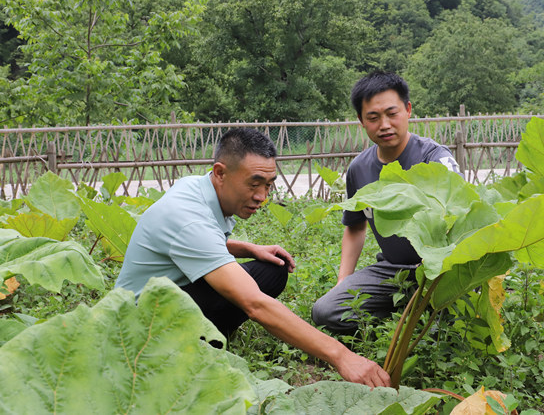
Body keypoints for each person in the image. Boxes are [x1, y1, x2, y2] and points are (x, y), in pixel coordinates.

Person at [115, 127, 390, 388]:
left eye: (269, 185)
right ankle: (185, 350)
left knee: (272, 270)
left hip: (167, 297)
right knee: (251, 292)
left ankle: (204, 337)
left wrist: (248, 248)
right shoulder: (187, 216)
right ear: (220, 173)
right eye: (254, 184)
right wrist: (342, 356)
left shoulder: (197, 186)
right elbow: (255, 305)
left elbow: (197, 242)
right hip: (140, 329)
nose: (262, 196)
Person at [311, 71, 461, 333]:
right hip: (393, 271)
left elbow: (462, 218)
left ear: (408, 110)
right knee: (326, 311)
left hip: (441, 273)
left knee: (447, 331)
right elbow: (355, 227)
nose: (385, 125)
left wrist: (437, 267)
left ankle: (417, 314)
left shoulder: (435, 159)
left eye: (392, 114)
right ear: (361, 120)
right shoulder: (359, 168)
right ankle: (405, 312)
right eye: (373, 117)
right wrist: (343, 279)